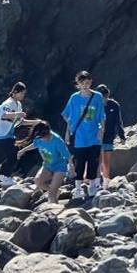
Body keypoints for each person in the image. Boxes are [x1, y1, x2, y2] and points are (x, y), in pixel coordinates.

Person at [62, 70, 105, 199]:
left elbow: (102, 115)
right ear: (78, 84)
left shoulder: (97, 96)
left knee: (93, 161)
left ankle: (92, 186)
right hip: (80, 136)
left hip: (94, 135)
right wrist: (68, 133)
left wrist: (101, 130)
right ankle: (78, 188)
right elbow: (67, 115)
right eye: (82, 83)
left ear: (91, 82)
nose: (85, 85)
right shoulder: (74, 98)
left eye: (87, 82)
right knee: (79, 162)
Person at [21, 121, 71, 203]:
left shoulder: (57, 141)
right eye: (40, 137)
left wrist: (71, 168)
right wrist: (23, 150)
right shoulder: (39, 137)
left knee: (51, 194)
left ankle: (54, 210)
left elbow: (67, 155)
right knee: (38, 181)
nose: (42, 139)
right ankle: (57, 191)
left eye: (43, 137)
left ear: (48, 133)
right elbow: (35, 145)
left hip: (60, 167)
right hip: (47, 165)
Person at [0, 82, 27, 186]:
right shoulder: (8, 103)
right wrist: (17, 114)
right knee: (13, 154)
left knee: (15, 153)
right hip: (1, 134)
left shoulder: (18, 104)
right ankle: (3, 175)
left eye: (24, 94)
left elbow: (21, 121)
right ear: (15, 92)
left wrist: (36, 122)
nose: (23, 96)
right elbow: (4, 115)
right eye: (22, 93)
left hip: (10, 134)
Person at [97, 84, 126, 186]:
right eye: (102, 97)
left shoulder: (114, 105)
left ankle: (105, 180)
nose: (104, 99)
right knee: (98, 159)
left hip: (109, 136)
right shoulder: (94, 106)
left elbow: (118, 121)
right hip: (97, 137)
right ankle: (97, 181)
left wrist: (121, 135)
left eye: (105, 97)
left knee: (107, 160)